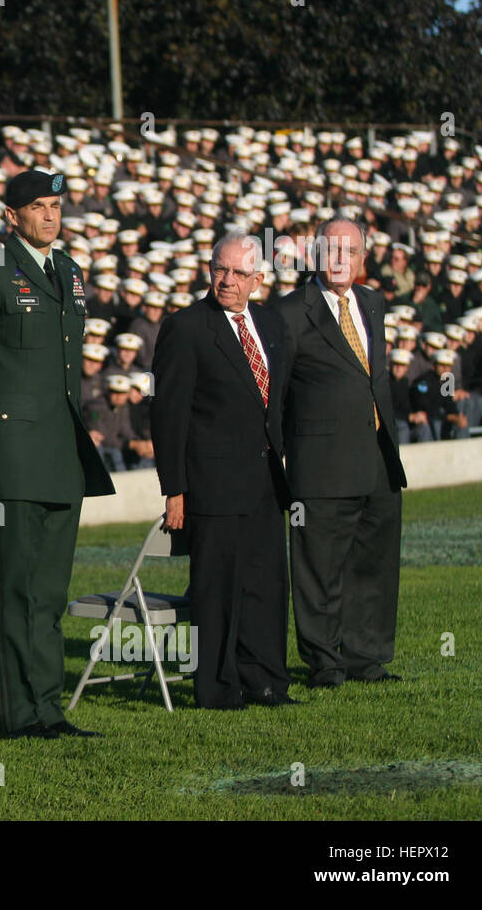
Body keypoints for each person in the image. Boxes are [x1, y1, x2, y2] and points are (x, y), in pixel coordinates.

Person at [0, 170, 114, 740]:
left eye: (56, 206)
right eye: (38, 206)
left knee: (50, 593)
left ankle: (50, 709)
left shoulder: (67, 271)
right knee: (16, 589)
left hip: (62, 452)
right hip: (10, 456)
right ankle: (20, 716)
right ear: (11, 214)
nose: (50, 216)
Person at [150, 232, 296, 709]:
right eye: (219, 269)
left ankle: (267, 682)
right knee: (216, 593)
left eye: (237, 273)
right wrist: (175, 489)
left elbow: (279, 401)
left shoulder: (271, 324)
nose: (226, 280)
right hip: (211, 486)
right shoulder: (187, 327)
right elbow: (167, 416)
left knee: (266, 587)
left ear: (257, 278)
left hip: (266, 484)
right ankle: (216, 688)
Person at [277, 217, 407, 690]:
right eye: (331, 250)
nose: (339, 260)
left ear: (361, 258)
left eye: (349, 251)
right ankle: (325, 662)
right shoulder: (290, 312)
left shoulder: (372, 303)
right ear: (316, 254)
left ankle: (366, 657)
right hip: (320, 463)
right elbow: (277, 393)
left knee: (373, 562)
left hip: (377, 456)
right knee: (319, 567)